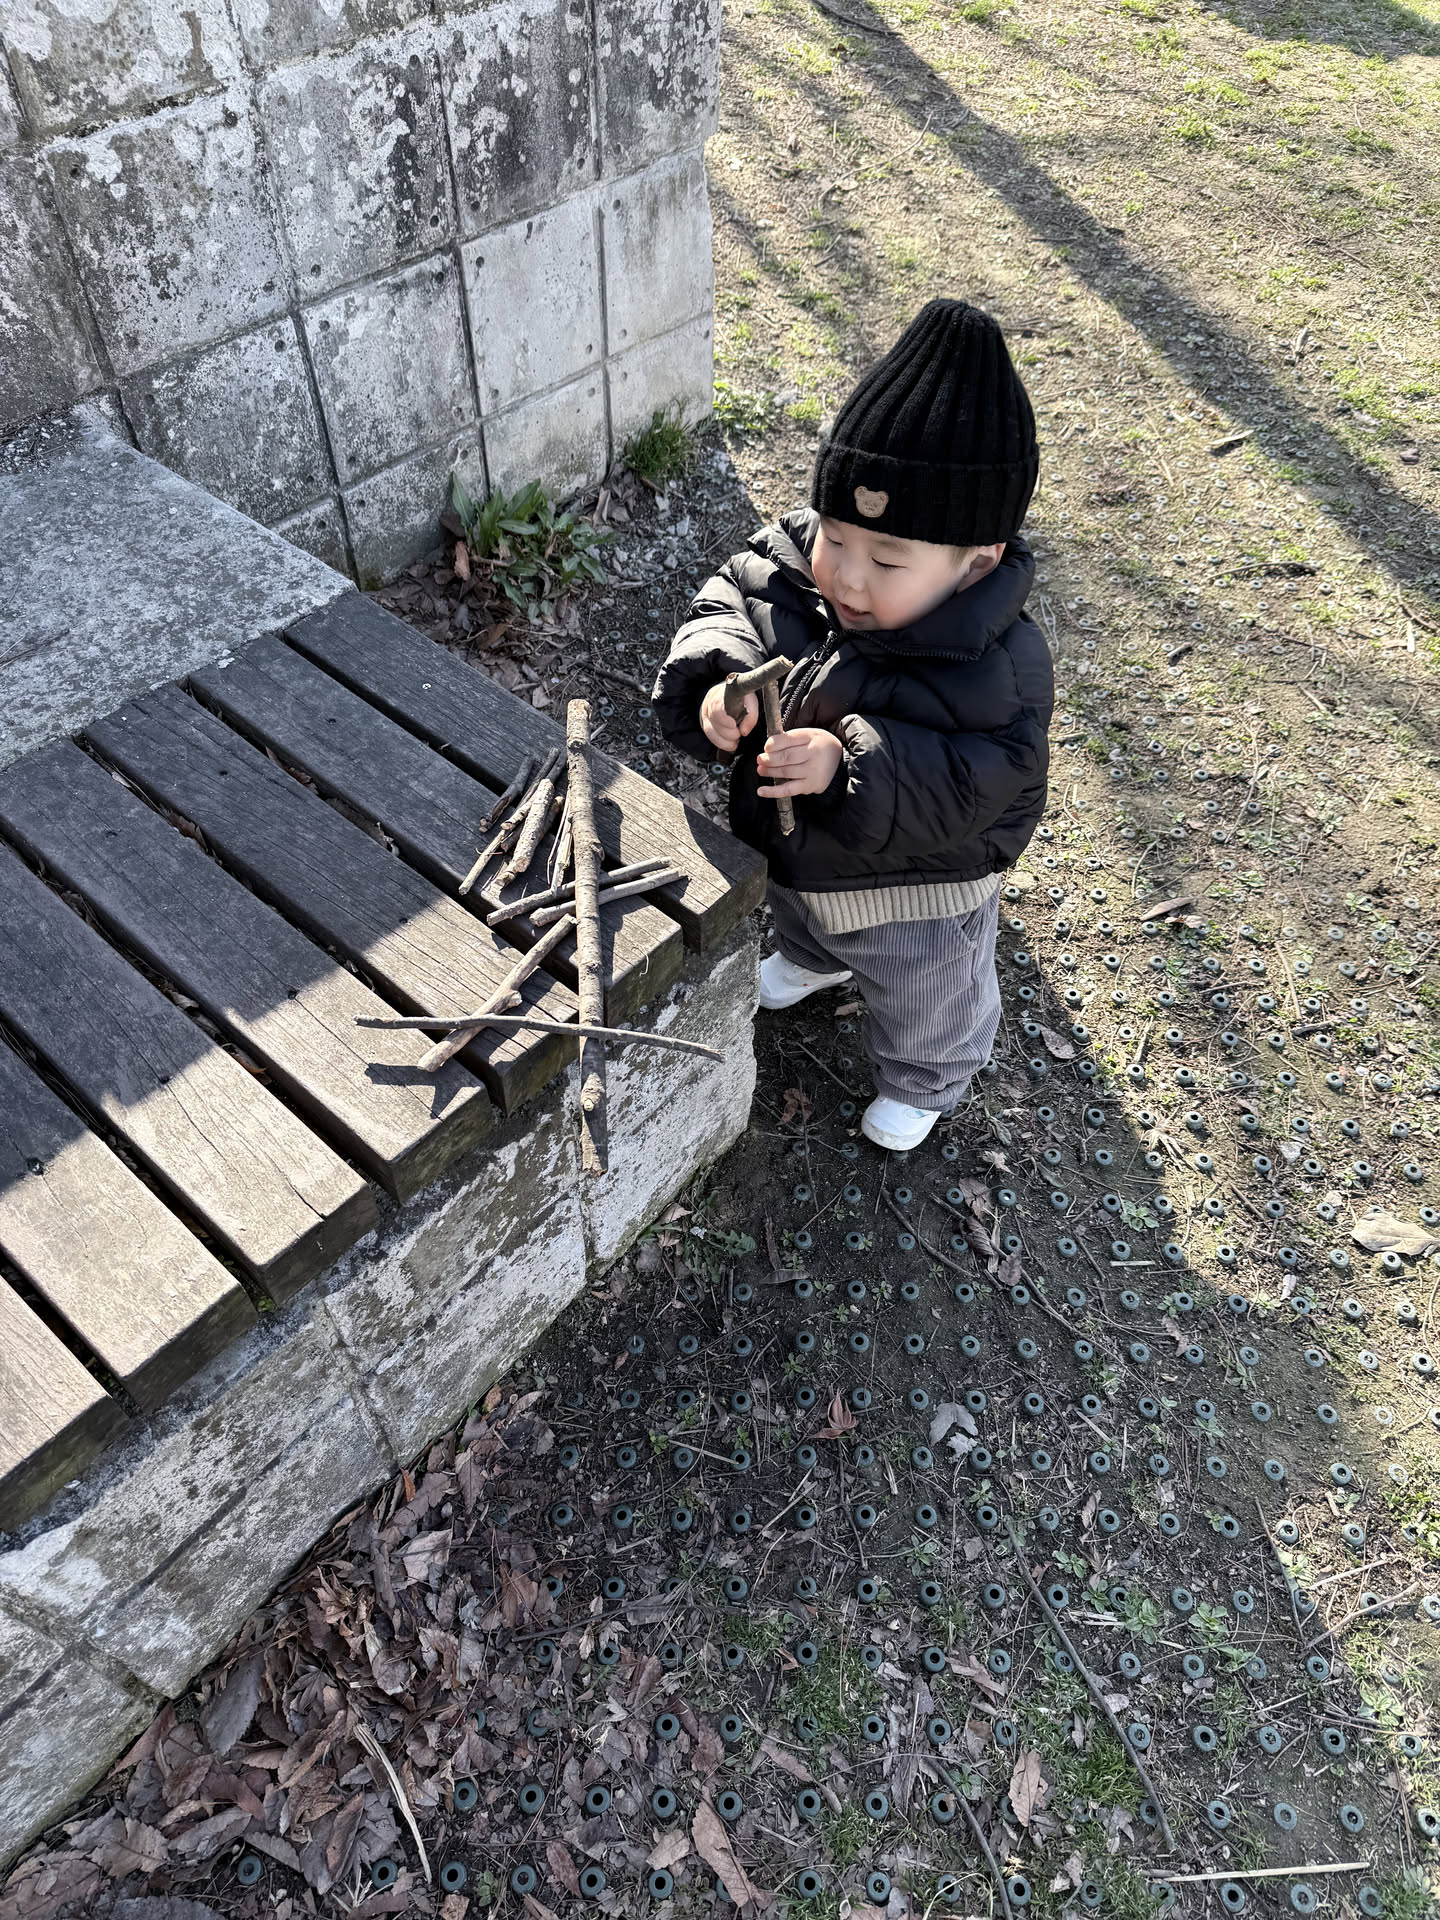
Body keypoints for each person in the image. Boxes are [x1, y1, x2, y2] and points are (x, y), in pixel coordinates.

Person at [653, 299, 1053, 1151]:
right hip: (800, 850)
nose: (848, 577)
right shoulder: (799, 563)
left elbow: (983, 779)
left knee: (927, 994)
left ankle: (926, 1080)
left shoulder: (1000, 665)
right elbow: (732, 596)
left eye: (887, 561)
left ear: (975, 564)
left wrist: (848, 764)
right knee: (800, 910)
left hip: (917, 889)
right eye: (836, 539)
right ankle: (812, 958)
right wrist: (720, 684)